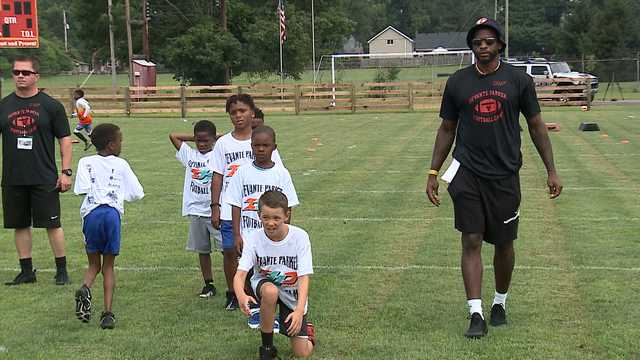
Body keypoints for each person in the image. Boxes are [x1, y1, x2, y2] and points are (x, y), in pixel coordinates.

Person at [425, 17, 562, 339]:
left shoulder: (518, 81)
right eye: (477, 42)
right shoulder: (458, 82)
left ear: (500, 44)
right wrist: (433, 172)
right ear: (472, 47)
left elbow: (536, 125)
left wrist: (551, 170)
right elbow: (447, 129)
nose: (483, 47)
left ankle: (500, 301)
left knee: (504, 243)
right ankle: (476, 313)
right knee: (471, 239)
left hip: (504, 175)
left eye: (489, 41)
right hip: (467, 172)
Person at [0, 56, 73, 286]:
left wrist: (66, 172)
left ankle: (61, 271)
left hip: (44, 176)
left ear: (36, 76)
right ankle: (26, 271)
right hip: (13, 176)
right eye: (16, 72)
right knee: (19, 224)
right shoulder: (4, 105)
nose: (20, 76)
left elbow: (65, 140)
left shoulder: (51, 106)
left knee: (52, 224)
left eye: (25, 72)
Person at [211, 94, 282, 311]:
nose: (238, 116)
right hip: (230, 207)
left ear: (252, 112)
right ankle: (234, 293)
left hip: (259, 210)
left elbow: (277, 171)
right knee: (230, 250)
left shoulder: (263, 139)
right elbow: (217, 175)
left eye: (242, 111)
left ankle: (258, 291)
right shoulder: (223, 143)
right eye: (233, 112)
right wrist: (215, 206)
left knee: (261, 250)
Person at [224, 125, 299, 329]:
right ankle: (255, 308)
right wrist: (237, 233)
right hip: (249, 232)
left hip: (274, 233)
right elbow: (235, 202)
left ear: (274, 147)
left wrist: (285, 234)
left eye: (265, 145)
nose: (261, 149)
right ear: (251, 146)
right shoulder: (242, 172)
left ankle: (272, 310)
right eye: (256, 145)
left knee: (270, 272)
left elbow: (289, 205)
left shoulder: (281, 174)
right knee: (248, 271)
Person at [73, 123, 144, 329]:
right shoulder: (121, 164)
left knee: (94, 264)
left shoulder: (85, 162)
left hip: (91, 215)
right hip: (111, 214)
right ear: (111, 145)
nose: (122, 144)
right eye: (120, 140)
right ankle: (107, 314)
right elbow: (137, 192)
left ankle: (85, 287)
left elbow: (81, 189)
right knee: (109, 266)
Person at [234, 190, 315, 360]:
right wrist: (241, 295)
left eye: (276, 218)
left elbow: (303, 277)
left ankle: (308, 332)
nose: (270, 223)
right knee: (270, 291)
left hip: (291, 291)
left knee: (302, 353)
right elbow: (240, 275)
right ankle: (267, 349)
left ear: (287, 215)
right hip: (265, 283)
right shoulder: (253, 238)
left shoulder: (300, 237)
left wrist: (299, 310)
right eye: (266, 218)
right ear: (259, 215)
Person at [170, 120, 222, 298]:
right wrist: (196, 137)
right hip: (196, 211)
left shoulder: (218, 154)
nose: (201, 144)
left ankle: (238, 283)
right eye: (198, 141)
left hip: (216, 210)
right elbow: (173, 136)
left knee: (227, 250)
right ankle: (209, 284)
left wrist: (215, 139)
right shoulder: (190, 155)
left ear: (213, 140)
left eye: (205, 141)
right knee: (203, 250)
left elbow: (228, 139)